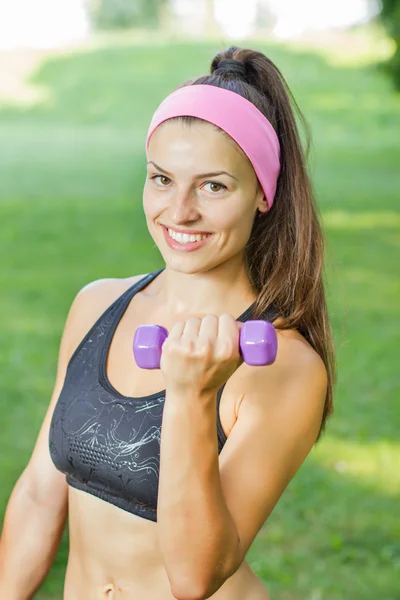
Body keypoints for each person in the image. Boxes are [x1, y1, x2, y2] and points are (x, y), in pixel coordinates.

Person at [0, 46, 336, 600]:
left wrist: (191, 396)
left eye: (213, 186)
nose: (179, 212)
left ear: (262, 196)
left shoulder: (283, 366)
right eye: (162, 179)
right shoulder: (96, 306)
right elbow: (41, 491)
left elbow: (196, 575)